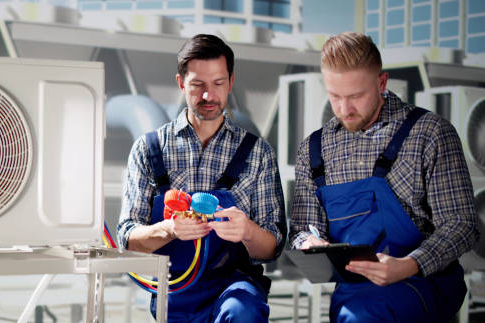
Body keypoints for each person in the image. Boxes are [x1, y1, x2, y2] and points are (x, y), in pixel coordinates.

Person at [289, 31, 479, 322]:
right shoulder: (314, 150)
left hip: (423, 286)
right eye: (335, 96)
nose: (344, 109)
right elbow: (303, 227)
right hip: (352, 294)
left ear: (381, 83)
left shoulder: (429, 134)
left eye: (356, 96)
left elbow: (462, 224)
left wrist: (410, 264)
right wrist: (308, 243)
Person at [117, 34, 286, 322]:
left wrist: (247, 231)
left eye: (218, 84)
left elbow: (273, 247)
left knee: (242, 311)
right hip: (173, 292)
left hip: (234, 286)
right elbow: (127, 239)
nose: (208, 96)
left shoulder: (258, 153)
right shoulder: (148, 150)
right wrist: (170, 228)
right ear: (181, 83)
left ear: (231, 82)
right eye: (198, 85)